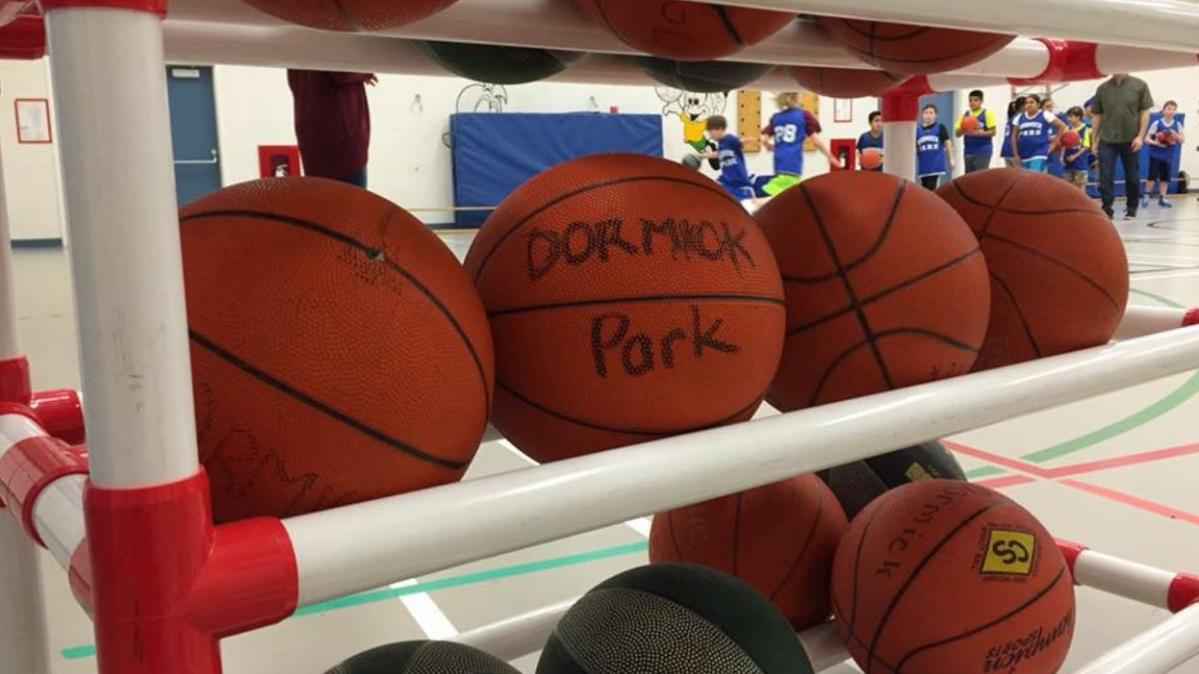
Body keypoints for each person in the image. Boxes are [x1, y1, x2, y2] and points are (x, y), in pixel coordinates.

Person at [288, 69, 378, 188]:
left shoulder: (294, 50)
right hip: (340, 132)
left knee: (322, 199)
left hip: (310, 130)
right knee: (351, 202)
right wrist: (366, 71)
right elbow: (341, 72)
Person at [1091, 72, 1154, 220]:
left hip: (1131, 138)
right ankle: (1107, 209)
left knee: (1132, 175)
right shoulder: (1102, 88)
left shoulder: (1140, 85)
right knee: (1105, 175)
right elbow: (1097, 115)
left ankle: (1132, 208)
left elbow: (1145, 112)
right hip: (1107, 139)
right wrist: (1094, 140)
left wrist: (1140, 136)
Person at [760, 92, 841, 195]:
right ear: (796, 97)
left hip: (779, 160)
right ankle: (753, 203)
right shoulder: (803, 115)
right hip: (792, 160)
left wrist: (769, 146)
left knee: (784, 191)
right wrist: (829, 156)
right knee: (783, 193)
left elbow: (763, 139)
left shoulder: (777, 117)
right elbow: (815, 140)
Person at [1142, 100, 1185, 209]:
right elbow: (1146, 139)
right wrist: (1155, 142)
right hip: (1156, 154)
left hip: (1168, 156)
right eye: (1169, 108)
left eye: (1174, 109)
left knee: (1165, 178)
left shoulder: (1177, 124)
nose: (1171, 111)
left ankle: (1162, 197)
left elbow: (1182, 140)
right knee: (1152, 177)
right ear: (1164, 110)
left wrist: (1176, 136)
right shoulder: (1157, 123)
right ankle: (1146, 195)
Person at [702, 115, 755, 200]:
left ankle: (751, 197)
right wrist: (703, 156)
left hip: (738, 177)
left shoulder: (730, 139)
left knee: (745, 203)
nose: (710, 135)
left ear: (719, 129)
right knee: (716, 189)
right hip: (727, 178)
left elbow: (739, 141)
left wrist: (748, 140)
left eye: (711, 132)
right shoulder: (721, 142)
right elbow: (720, 153)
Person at [1011, 93, 1067, 173]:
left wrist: (1054, 143)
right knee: (1028, 178)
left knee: (1034, 175)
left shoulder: (1045, 114)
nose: (1029, 105)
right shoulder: (1019, 117)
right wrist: (1015, 154)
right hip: (1024, 152)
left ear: (1038, 105)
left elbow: (1062, 126)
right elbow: (1013, 136)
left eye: (1031, 102)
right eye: (1027, 103)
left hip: (1039, 151)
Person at [956, 89, 997, 173]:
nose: (972, 102)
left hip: (983, 150)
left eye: (975, 100)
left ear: (981, 101)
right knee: (969, 177)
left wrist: (979, 133)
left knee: (980, 176)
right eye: (970, 100)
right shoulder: (965, 115)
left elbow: (993, 132)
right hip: (968, 150)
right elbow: (957, 134)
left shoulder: (987, 113)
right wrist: (963, 129)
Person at [916, 104, 954, 190]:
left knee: (933, 190)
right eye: (926, 113)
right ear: (922, 115)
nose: (928, 115)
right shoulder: (918, 130)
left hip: (935, 167)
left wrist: (951, 159)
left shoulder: (940, 127)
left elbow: (948, 143)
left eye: (931, 113)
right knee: (925, 191)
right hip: (923, 167)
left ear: (936, 115)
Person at [1062, 106, 1093, 192]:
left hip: (1080, 162)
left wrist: (1075, 156)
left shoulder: (1085, 129)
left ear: (1078, 117)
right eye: (1068, 116)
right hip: (1068, 162)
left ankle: (1082, 203)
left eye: (1071, 116)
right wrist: (1061, 157)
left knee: (1080, 184)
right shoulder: (1067, 129)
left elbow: (1086, 146)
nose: (1069, 119)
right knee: (1067, 184)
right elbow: (1064, 144)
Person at [1042, 98, 1067, 178]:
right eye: (1047, 107)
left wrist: (1056, 141)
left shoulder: (1057, 121)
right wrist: (1049, 138)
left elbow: (1064, 135)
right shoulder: (1039, 120)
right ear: (1041, 108)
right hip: (1041, 155)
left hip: (1054, 156)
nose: (1050, 109)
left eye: (1051, 107)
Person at [1000, 96, 1027, 169]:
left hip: (1006, 150)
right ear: (1022, 107)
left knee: (1012, 176)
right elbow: (1019, 136)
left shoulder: (1011, 118)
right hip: (1014, 150)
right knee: (1021, 176)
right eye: (1027, 104)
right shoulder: (1020, 118)